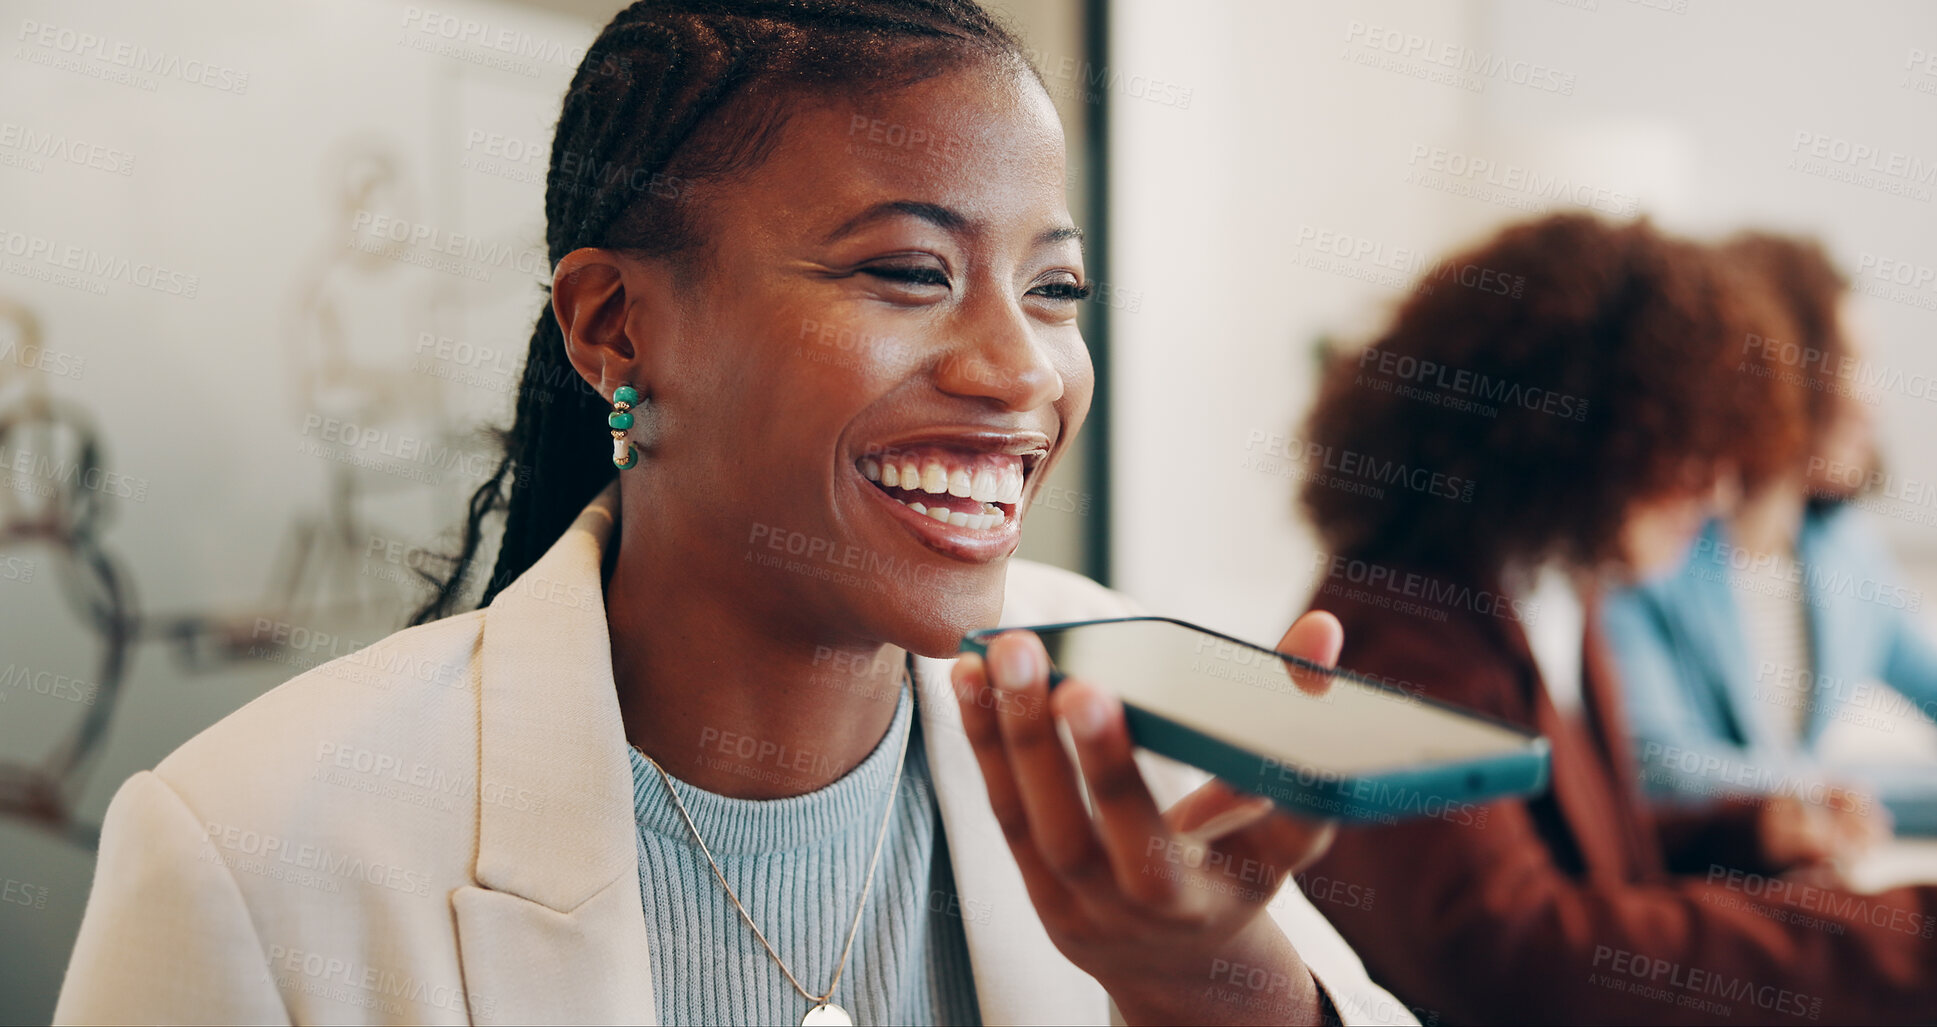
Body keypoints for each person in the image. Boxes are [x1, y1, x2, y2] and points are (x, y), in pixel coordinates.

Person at [54, 2, 1413, 1024]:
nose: (1019, 370)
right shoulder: (251, 849)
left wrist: (1219, 986)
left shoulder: (1121, 748)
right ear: (617, 326)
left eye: (1053, 289)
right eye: (905, 269)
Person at [1293, 213, 1937, 1024]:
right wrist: (1904, 943)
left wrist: (1746, 833)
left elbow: (1578, 853)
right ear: (1576, 435)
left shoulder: (1546, 593)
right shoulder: (1402, 630)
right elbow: (1509, 949)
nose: (1713, 494)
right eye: (1691, 453)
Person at [1605, 232, 1937, 841]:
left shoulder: (1845, 551)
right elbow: (1658, 769)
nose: (1874, 403)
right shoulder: (1648, 552)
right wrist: (1829, 794)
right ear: (1778, 372)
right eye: (1851, 365)